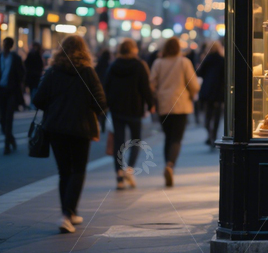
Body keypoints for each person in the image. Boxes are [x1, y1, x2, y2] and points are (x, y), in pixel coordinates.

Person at [33, 35, 106, 233]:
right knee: (78, 170)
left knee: (64, 171)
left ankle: (69, 213)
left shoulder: (53, 72)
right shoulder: (88, 72)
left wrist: (54, 104)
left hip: (56, 128)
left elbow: (38, 100)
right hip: (81, 128)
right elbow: (100, 102)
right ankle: (67, 214)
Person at [104, 38, 154, 189]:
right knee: (136, 140)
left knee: (118, 142)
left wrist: (106, 105)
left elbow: (106, 87)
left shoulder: (114, 66)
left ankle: (119, 175)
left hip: (117, 109)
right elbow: (145, 88)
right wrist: (151, 104)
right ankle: (130, 169)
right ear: (134, 49)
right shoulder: (139, 65)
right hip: (135, 109)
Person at [150, 37, 199, 187]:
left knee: (168, 137)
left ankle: (167, 164)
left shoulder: (158, 63)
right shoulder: (184, 62)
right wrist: (191, 94)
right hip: (180, 105)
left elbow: (151, 84)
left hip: (164, 105)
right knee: (176, 138)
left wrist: (158, 95)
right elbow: (194, 85)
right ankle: (170, 165)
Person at [196, 41, 224, 148]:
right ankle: (214, 135)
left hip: (207, 91)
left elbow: (199, 73)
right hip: (219, 91)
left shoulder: (206, 59)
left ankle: (210, 133)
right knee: (217, 115)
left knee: (207, 114)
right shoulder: (222, 60)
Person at [0, 37, 24, 155]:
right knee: (2, 120)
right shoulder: (0, 57)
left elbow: (21, 74)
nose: (4, 47)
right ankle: (11, 139)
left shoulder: (16, 58)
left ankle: (7, 146)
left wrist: (20, 89)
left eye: (6, 45)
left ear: (10, 46)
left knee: (8, 119)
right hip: (1, 92)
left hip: (11, 92)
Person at [24, 41, 44, 106]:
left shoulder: (32, 54)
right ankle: (33, 103)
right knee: (34, 90)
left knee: (32, 90)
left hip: (32, 76)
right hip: (34, 76)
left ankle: (32, 103)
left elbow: (26, 64)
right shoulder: (36, 55)